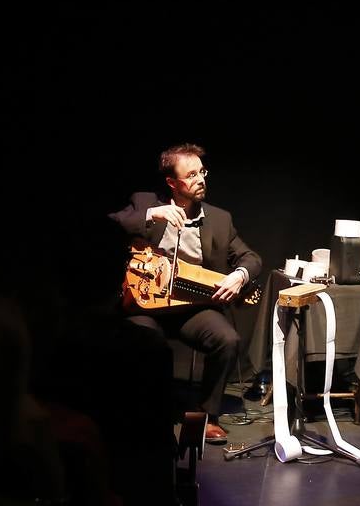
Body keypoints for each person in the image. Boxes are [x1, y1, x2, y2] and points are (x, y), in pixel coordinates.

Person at [109, 142, 263, 443]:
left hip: (191, 308)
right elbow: (112, 223)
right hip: (144, 306)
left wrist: (239, 275)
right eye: (191, 175)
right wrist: (153, 214)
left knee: (228, 339)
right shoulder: (145, 201)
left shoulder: (219, 219)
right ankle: (149, 414)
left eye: (202, 172)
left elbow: (250, 258)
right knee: (146, 343)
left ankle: (207, 416)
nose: (201, 179)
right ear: (172, 182)